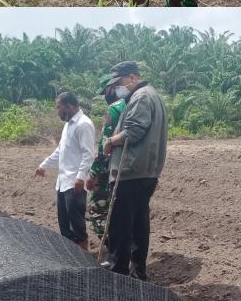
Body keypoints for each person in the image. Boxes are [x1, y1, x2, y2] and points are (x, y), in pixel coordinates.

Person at [102, 62, 168, 280]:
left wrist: (111, 141)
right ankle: (137, 270)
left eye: (119, 82)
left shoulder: (141, 97)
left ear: (131, 77)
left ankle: (118, 270)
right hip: (146, 171)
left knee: (121, 223)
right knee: (139, 221)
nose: (118, 88)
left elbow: (133, 131)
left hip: (130, 171)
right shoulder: (152, 96)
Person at [35, 92, 96, 249]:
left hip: (74, 182)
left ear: (69, 106)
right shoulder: (68, 125)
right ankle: (70, 256)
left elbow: (88, 154)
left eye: (59, 108)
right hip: (63, 182)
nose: (58, 112)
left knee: (77, 224)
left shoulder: (84, 124)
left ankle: (83, 257)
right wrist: (44, 165)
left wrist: (80, 178)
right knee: (64, 223)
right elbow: (60, 150)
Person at [87, 75, 127, 243]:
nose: (105, 96)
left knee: (97, 208)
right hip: (132, 168)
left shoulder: (115, 109)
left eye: (105, 92)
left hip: (112, 168)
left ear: (111, 89)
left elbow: (105, 146)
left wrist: (94, 174)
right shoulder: (133, 104)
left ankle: (113, 251)